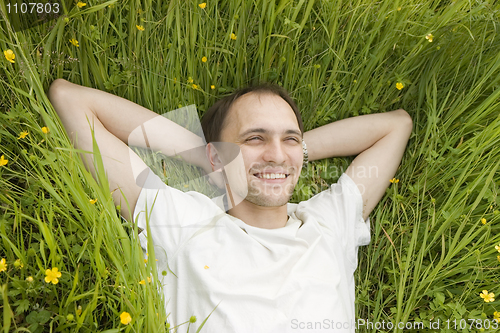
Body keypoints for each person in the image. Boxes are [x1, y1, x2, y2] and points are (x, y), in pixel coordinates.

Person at [48, 79, 412, 332]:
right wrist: (209, 159)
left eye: (289, 137)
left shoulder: (329, 223)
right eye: (255, 137)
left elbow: (396, 125)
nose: (275, 152)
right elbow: (70, 100)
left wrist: (287, 155)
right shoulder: (184, 223)